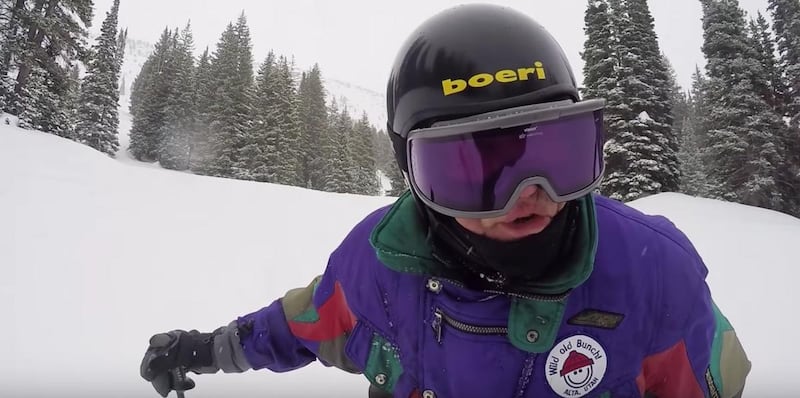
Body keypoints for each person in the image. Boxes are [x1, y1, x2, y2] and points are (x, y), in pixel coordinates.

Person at [140, 4, 751, 397]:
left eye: (558, 154)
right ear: (412, 170)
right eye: (476, 170)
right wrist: (206, 348)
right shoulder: (375, 266)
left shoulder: (651, 275)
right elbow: (301, 323)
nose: (528, 196)